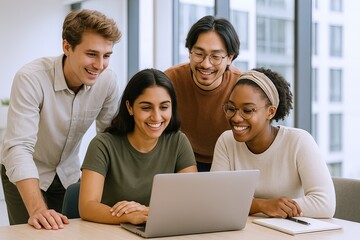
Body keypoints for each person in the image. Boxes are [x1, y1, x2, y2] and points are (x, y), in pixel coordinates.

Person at [0, 9, 122, 229]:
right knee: (33, 232)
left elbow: (110, 138)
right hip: (24, 171)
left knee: (72, 232)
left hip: (68, 171)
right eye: (92, 54)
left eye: (107, 55)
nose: (100, 65)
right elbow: (18, 147)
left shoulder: (108, 81)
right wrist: (37, 209)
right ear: (67, 47)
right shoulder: (31, 78)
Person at [211, 68, 336, 218]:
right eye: (231, 108)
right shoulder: (226, 141)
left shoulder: (299, 141)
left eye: (248, 110)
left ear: (270, 112)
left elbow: (325, 204)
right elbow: (216, 199)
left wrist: (258, 206)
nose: (236, 118)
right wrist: (262, 205)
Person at [79, 68, 197, 225]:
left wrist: (146, 213)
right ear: (129, 107)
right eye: (146, 107)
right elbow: (87, 207)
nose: (156, 116)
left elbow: (191, 201)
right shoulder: (102, 145)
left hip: (160, 230)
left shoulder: (178, 142)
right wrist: (128, 216)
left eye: (164, 107)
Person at [165, 15, 241, 172]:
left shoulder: (241, 86)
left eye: (215, 57)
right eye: (199, 54)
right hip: (179, 160)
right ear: (189, 52)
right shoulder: (169, 80)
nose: (206, 64)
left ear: (230, 58)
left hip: (228, 162)